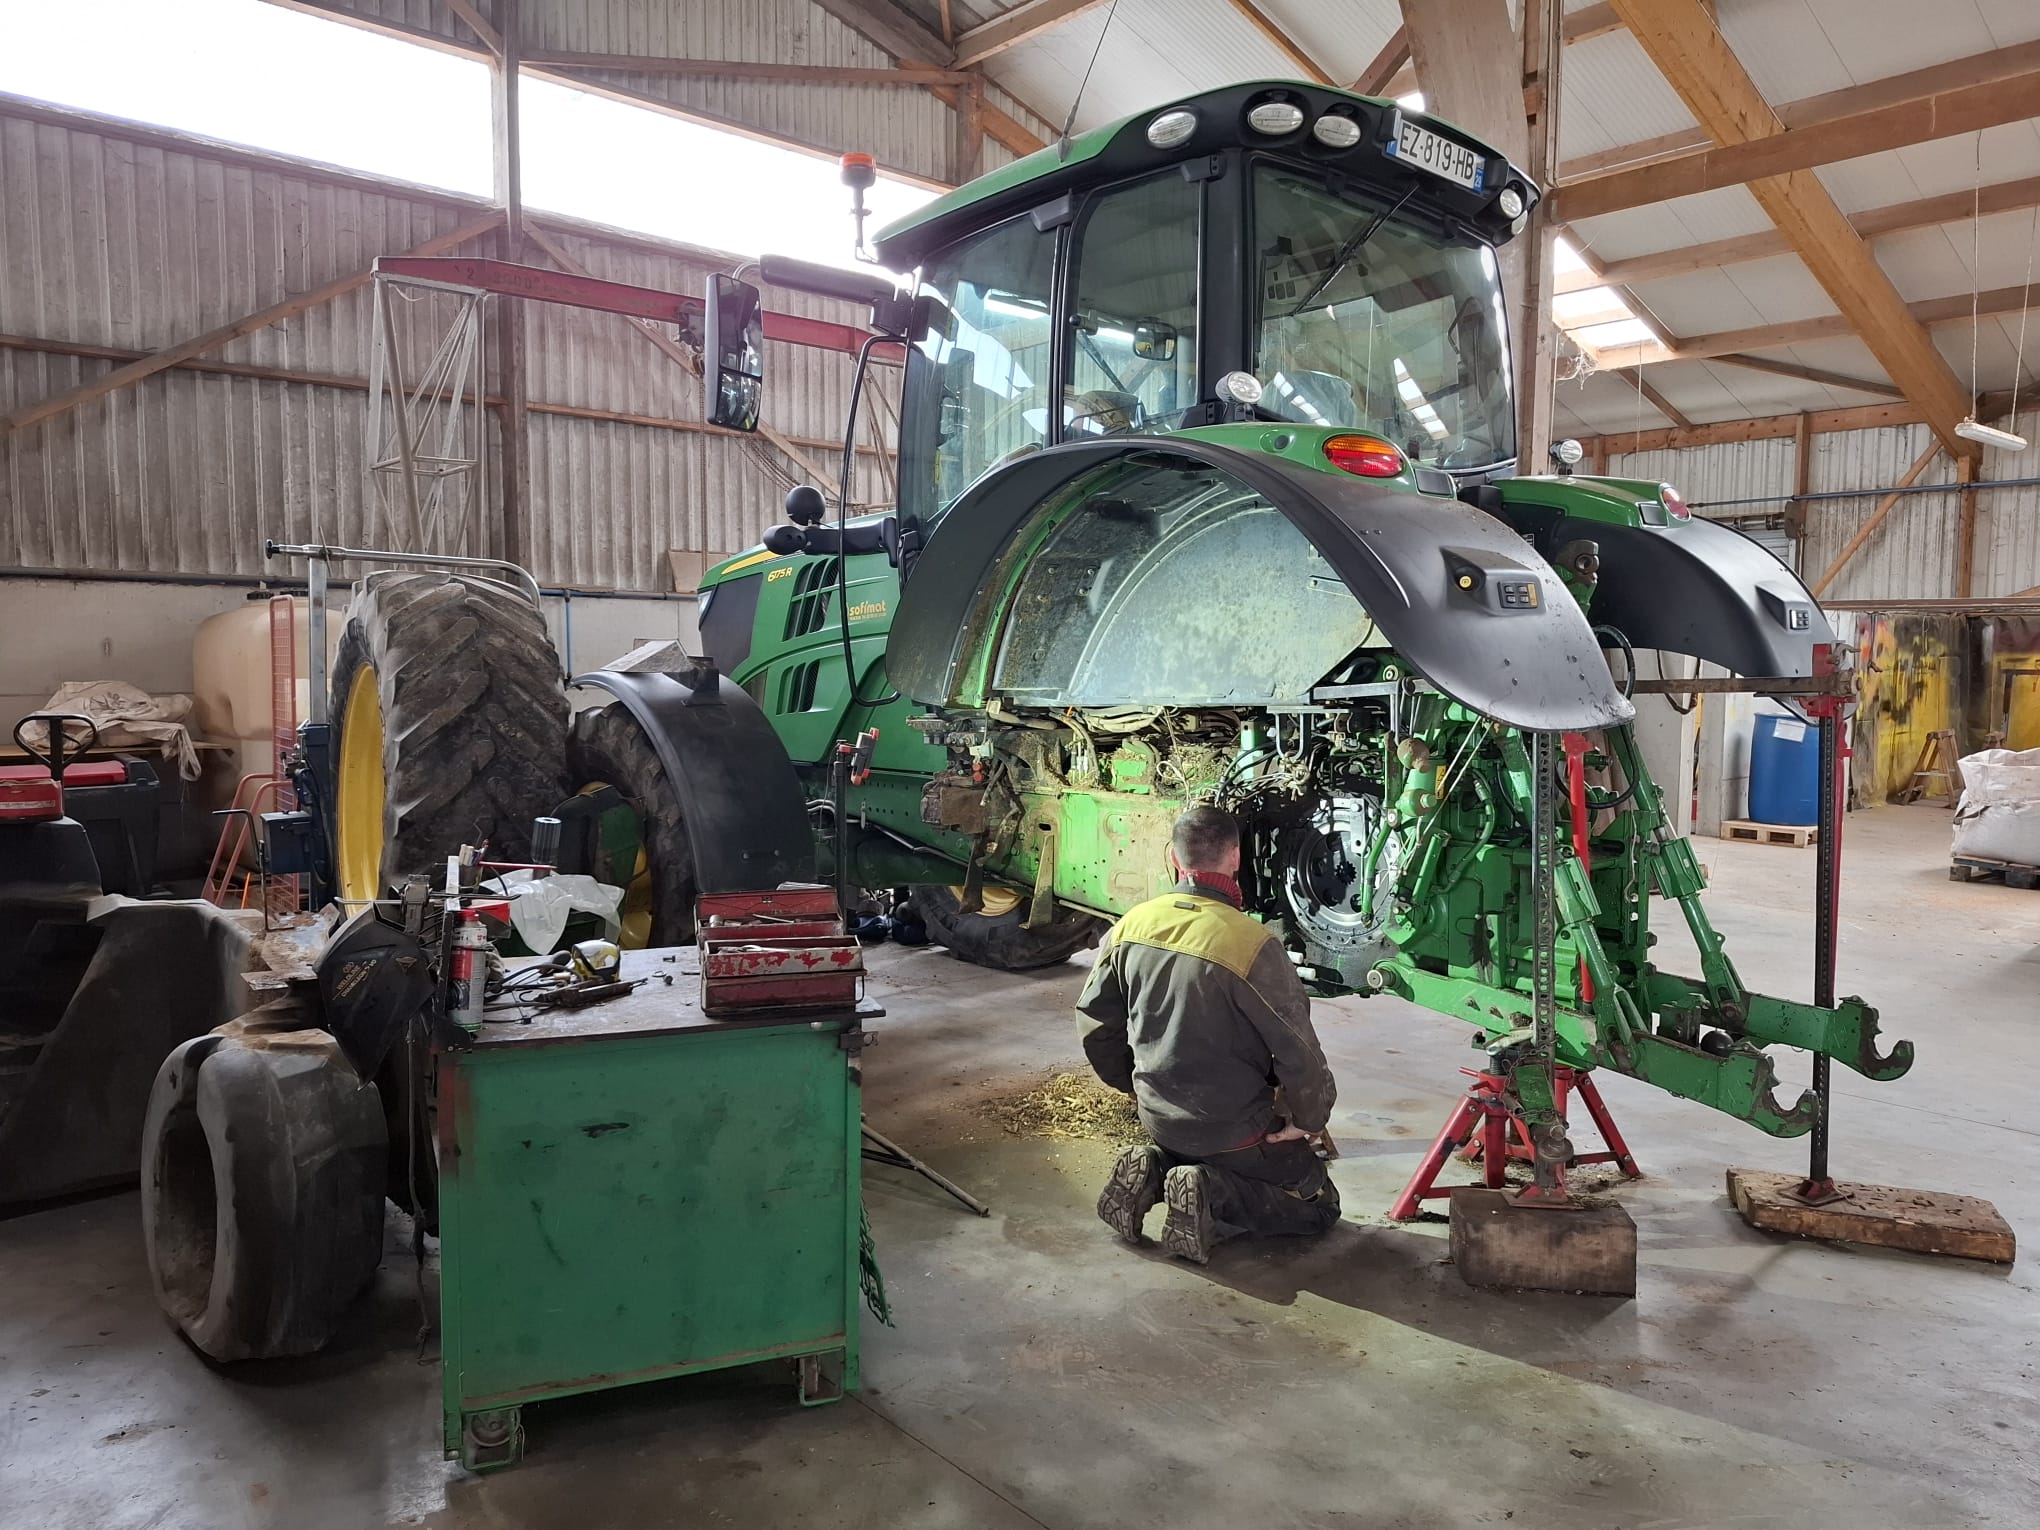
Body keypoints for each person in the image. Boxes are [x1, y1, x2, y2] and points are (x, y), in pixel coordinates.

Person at [1074, 805, 1340, 1264]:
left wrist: (1139, 1087)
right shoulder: (1253, 944)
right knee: (1318, 1205)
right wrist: (1309, 1119)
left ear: (1175, 860)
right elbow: (1298, 1053)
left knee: (1194, 1146)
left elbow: (1095, 1025)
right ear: (1235, 857)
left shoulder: (1131, 925)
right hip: (1235, 1132)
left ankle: (1158, 1168)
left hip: (1158, 1118)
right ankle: (1209, 1190)